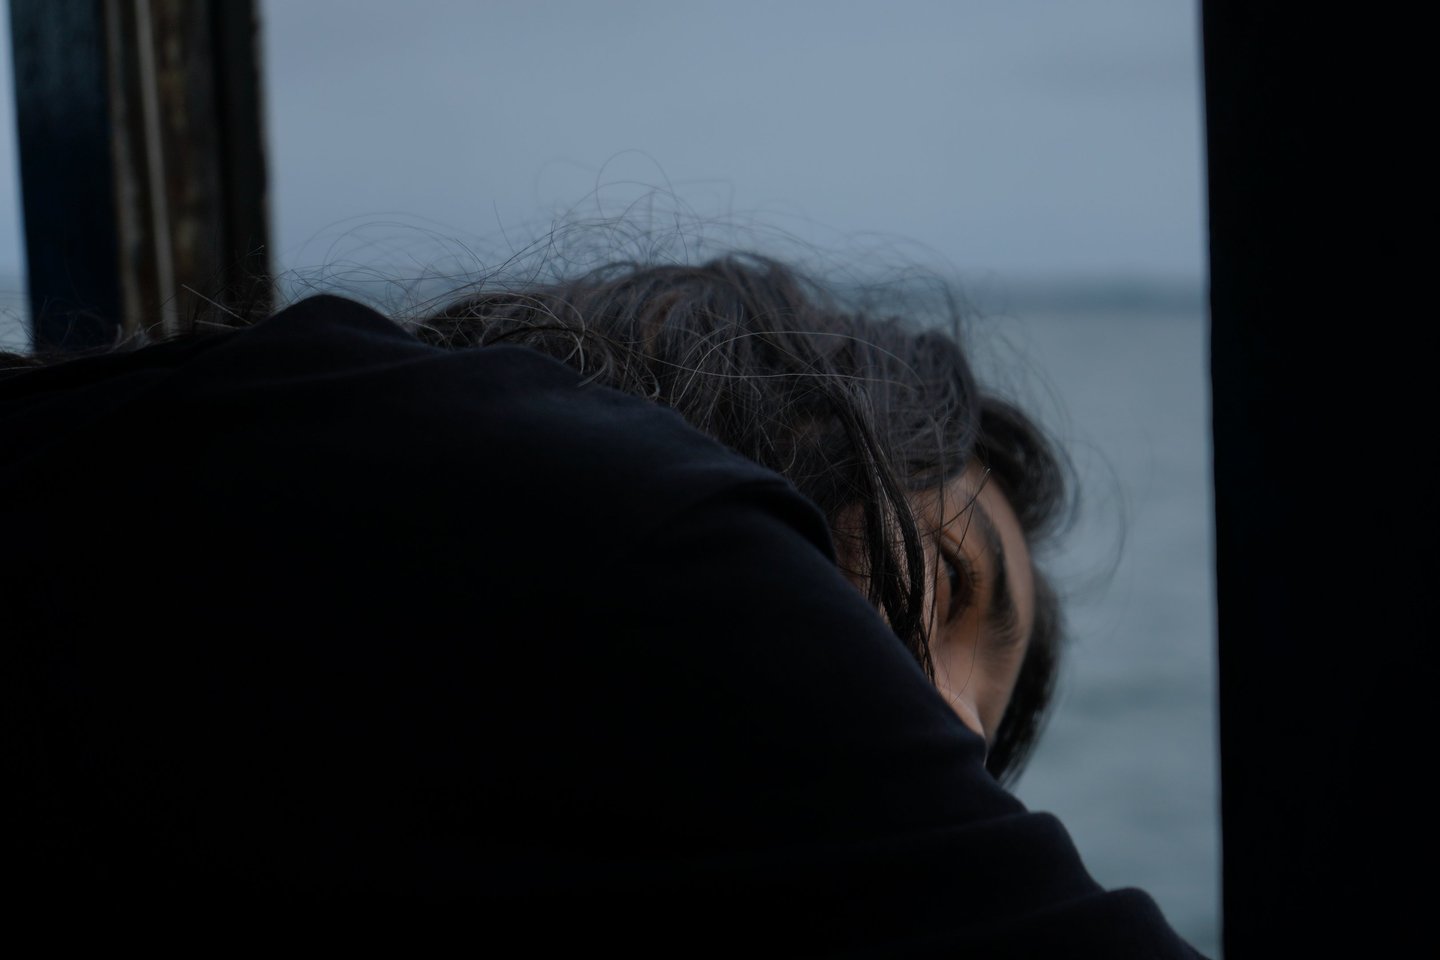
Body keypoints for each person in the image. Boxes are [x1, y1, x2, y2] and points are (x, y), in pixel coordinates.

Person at [0, 252, 1205, 955]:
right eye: (939, 586)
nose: (941, 725)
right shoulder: (604, 522)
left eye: (978, 746)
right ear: (779, 430)